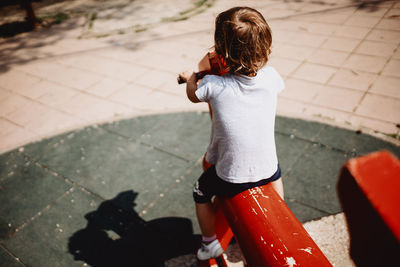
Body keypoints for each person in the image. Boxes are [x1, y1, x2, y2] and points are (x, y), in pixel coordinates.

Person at [179, 6, 285, 261]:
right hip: (268, 170)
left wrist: (191, 79)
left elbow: (194, 95)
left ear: (221, 51)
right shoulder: (272, 78)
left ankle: (209, 244)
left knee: (200, 191)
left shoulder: (213, 85)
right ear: (265, 46)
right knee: (276, 171)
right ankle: (278, 213)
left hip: (231, 176)